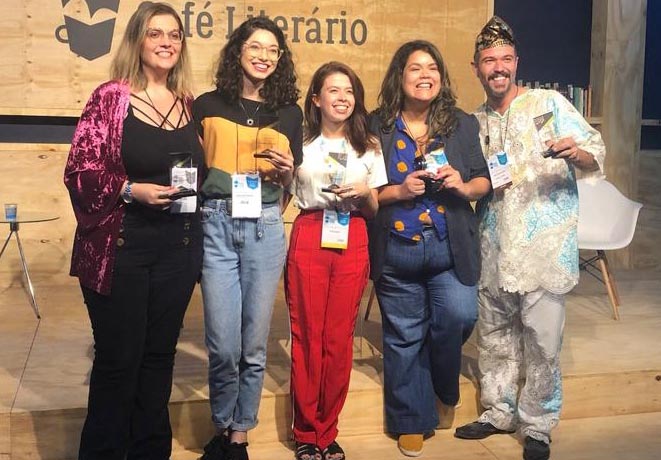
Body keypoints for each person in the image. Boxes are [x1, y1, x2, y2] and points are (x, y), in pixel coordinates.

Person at [453, 16, 606, 460]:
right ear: (476, 67)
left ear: (516, 62)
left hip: (544, 247)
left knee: (542, 339)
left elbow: (596, 151)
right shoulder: (474, 121)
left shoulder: (549, 104)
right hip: (493, 244)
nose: (497, 68)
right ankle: (497, 410)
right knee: (495, 334)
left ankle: (538, 424)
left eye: (504, 59)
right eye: (488, 61)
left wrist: (574, 151)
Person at [63, 2, 204, 459]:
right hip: (120, 250)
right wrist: (129, 190)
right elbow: (80, 171)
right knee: (119, 363)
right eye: (155, 34)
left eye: (175, 35)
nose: (166, 42)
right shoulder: (111, 97)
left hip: (176, 252)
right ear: (138, 41)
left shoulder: (188, 104)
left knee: (159, 360)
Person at [368, 40, 491, 457]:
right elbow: (365, 193)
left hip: (448, 245)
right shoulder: (376, 126)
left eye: (432, 68)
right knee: (403, 335)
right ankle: (410, 419)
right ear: (399, 78)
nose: (425, 75)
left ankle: (442, 384)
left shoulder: (460, 124)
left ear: (441, 77)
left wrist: (462, 184)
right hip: (397, 246)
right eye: (415, 68)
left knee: (458, 314)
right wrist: (397, 191)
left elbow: (483, 181)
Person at [192, 17, 302, 460]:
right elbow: (193, 170)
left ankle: (239, 435)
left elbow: (293, 180)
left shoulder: (290, 113)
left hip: (264, 226)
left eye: (272, 49)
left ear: (280, 59)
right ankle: (222, 425)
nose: (263, 55)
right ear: (238, 51)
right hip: (216, 223)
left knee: (254, 344)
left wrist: (286, 176)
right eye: (255, 46)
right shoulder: (205, 105)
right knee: (222, 343)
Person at [286, 62, 387, 460]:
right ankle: (305, 431)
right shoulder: (301, 143)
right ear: (317, 98)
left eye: (349, 91)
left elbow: (376, 208)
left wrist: (365, 192)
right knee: (308, 334)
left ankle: (328, 430)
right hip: (311, 230)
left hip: (353, 234)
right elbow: (285, 191)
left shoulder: (370, 146)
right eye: (333, 90)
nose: (342, 98)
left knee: (338, 337)